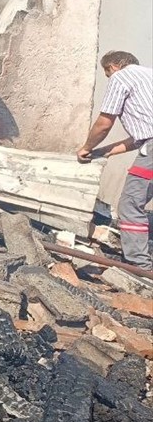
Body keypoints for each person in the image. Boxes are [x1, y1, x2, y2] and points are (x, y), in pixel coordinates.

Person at [76, 51, 153, 268]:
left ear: (115, 66)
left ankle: (139, 267)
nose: (109, 78)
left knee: (130, 205)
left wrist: (86, 147)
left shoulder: (121, 77)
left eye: (107, 73)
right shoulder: (149, 77)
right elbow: (139, 138)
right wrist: (102, 152)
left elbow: (104, 122)